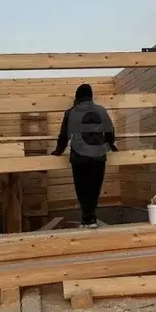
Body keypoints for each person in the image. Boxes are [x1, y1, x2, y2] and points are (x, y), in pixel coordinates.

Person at [52, 84, 118, 227]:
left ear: (77, 97)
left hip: (79, 157)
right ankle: (91, 219)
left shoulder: (70, 112)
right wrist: (111, 145)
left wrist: (58, 151)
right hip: (98, 155)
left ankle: (87, 218)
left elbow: (64, 135)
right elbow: (110, 132)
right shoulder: (101, 111)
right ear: (90, 96)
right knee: (94, 187)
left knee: (82, 188)